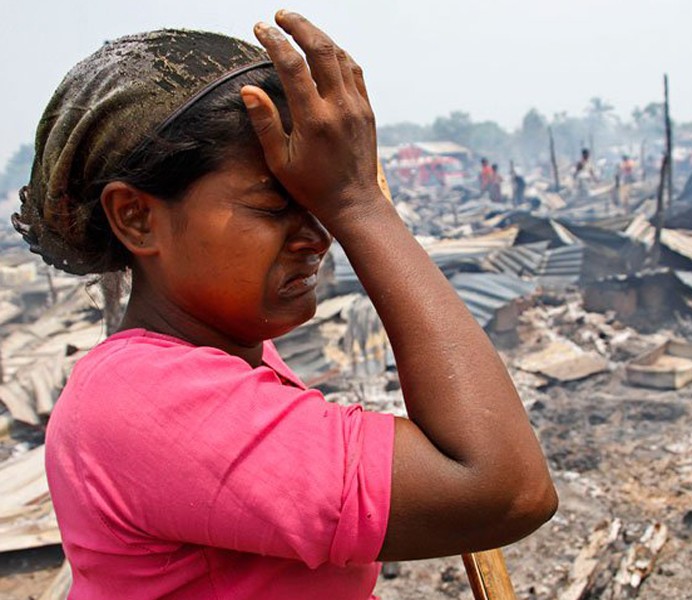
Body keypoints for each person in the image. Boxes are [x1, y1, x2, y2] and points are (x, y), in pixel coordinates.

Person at [14, 11, 556, 598]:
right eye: (275, 207)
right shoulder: (144, 399)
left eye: (315, 203)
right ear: (136, 217)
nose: (318, 237)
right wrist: (359, 204)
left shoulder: (235, 355)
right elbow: (505, 491)